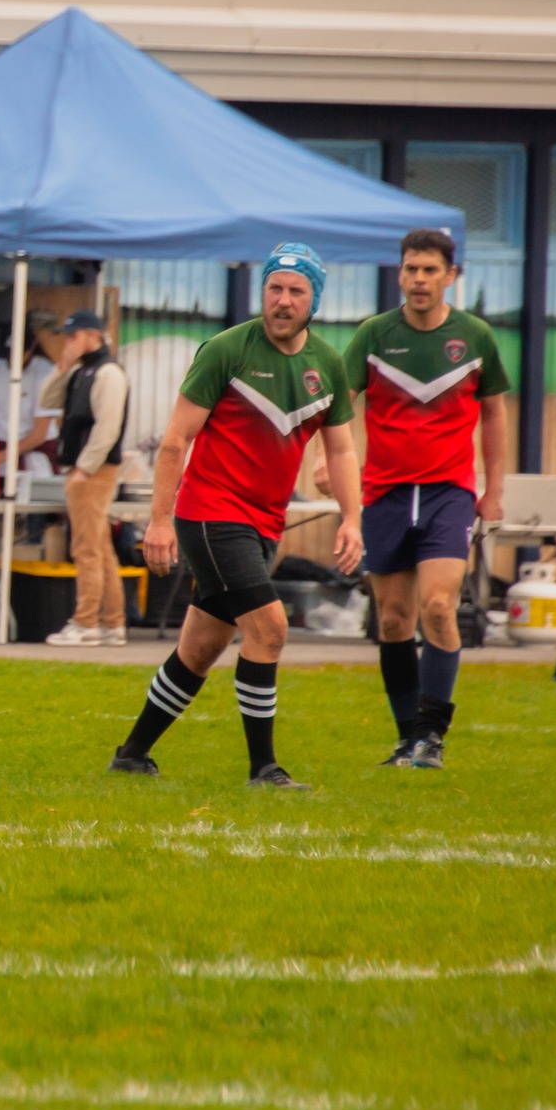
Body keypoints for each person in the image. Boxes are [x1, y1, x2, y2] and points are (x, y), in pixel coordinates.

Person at [109, 244, 362, 789]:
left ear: (314, 300)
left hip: (263, 523)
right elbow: (175, 440)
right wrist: (159, 521)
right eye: (275, 288)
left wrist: (351, 519)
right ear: (262, 293)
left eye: (296, 291)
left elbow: (341, 449)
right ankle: (263, 768)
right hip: (210, 514)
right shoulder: (225, 350)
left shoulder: (328, 364)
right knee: (270, 628)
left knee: (200, 648)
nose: (283, 300)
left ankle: (131, 754)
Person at [339, 228, 509, 769]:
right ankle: (406, 738)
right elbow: (339, 403)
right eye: (411, 268)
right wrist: (326, 458)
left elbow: (494, 414)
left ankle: (431, 737)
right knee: (392, 619)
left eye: (430, 270)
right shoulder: (373, 334)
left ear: (450, 276)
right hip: (384, 493)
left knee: (437, 606)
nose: (419, 279)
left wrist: (494, 490)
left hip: (448, 493)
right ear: (400, 274)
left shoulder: (475, 337)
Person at [40, 309, 130, 647]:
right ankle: (113, 622)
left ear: (94, 335)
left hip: (94, 471)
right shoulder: (81, 371)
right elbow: (46, 401)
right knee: (100, 547)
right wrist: (62, 367)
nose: (68, 342)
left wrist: (84, 468)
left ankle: (86, 621)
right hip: (84, 468)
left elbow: (107, 428)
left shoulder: (108, 373)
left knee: (85, 548)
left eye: (74, 336)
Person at [0, 315, 59, 470]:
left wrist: (1, 457)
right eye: (8, 355)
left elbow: (39, 433)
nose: (12, 361)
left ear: (31, 348)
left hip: (37, 447)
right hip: (2, 442)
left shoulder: (46, 372)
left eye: (18, 355)